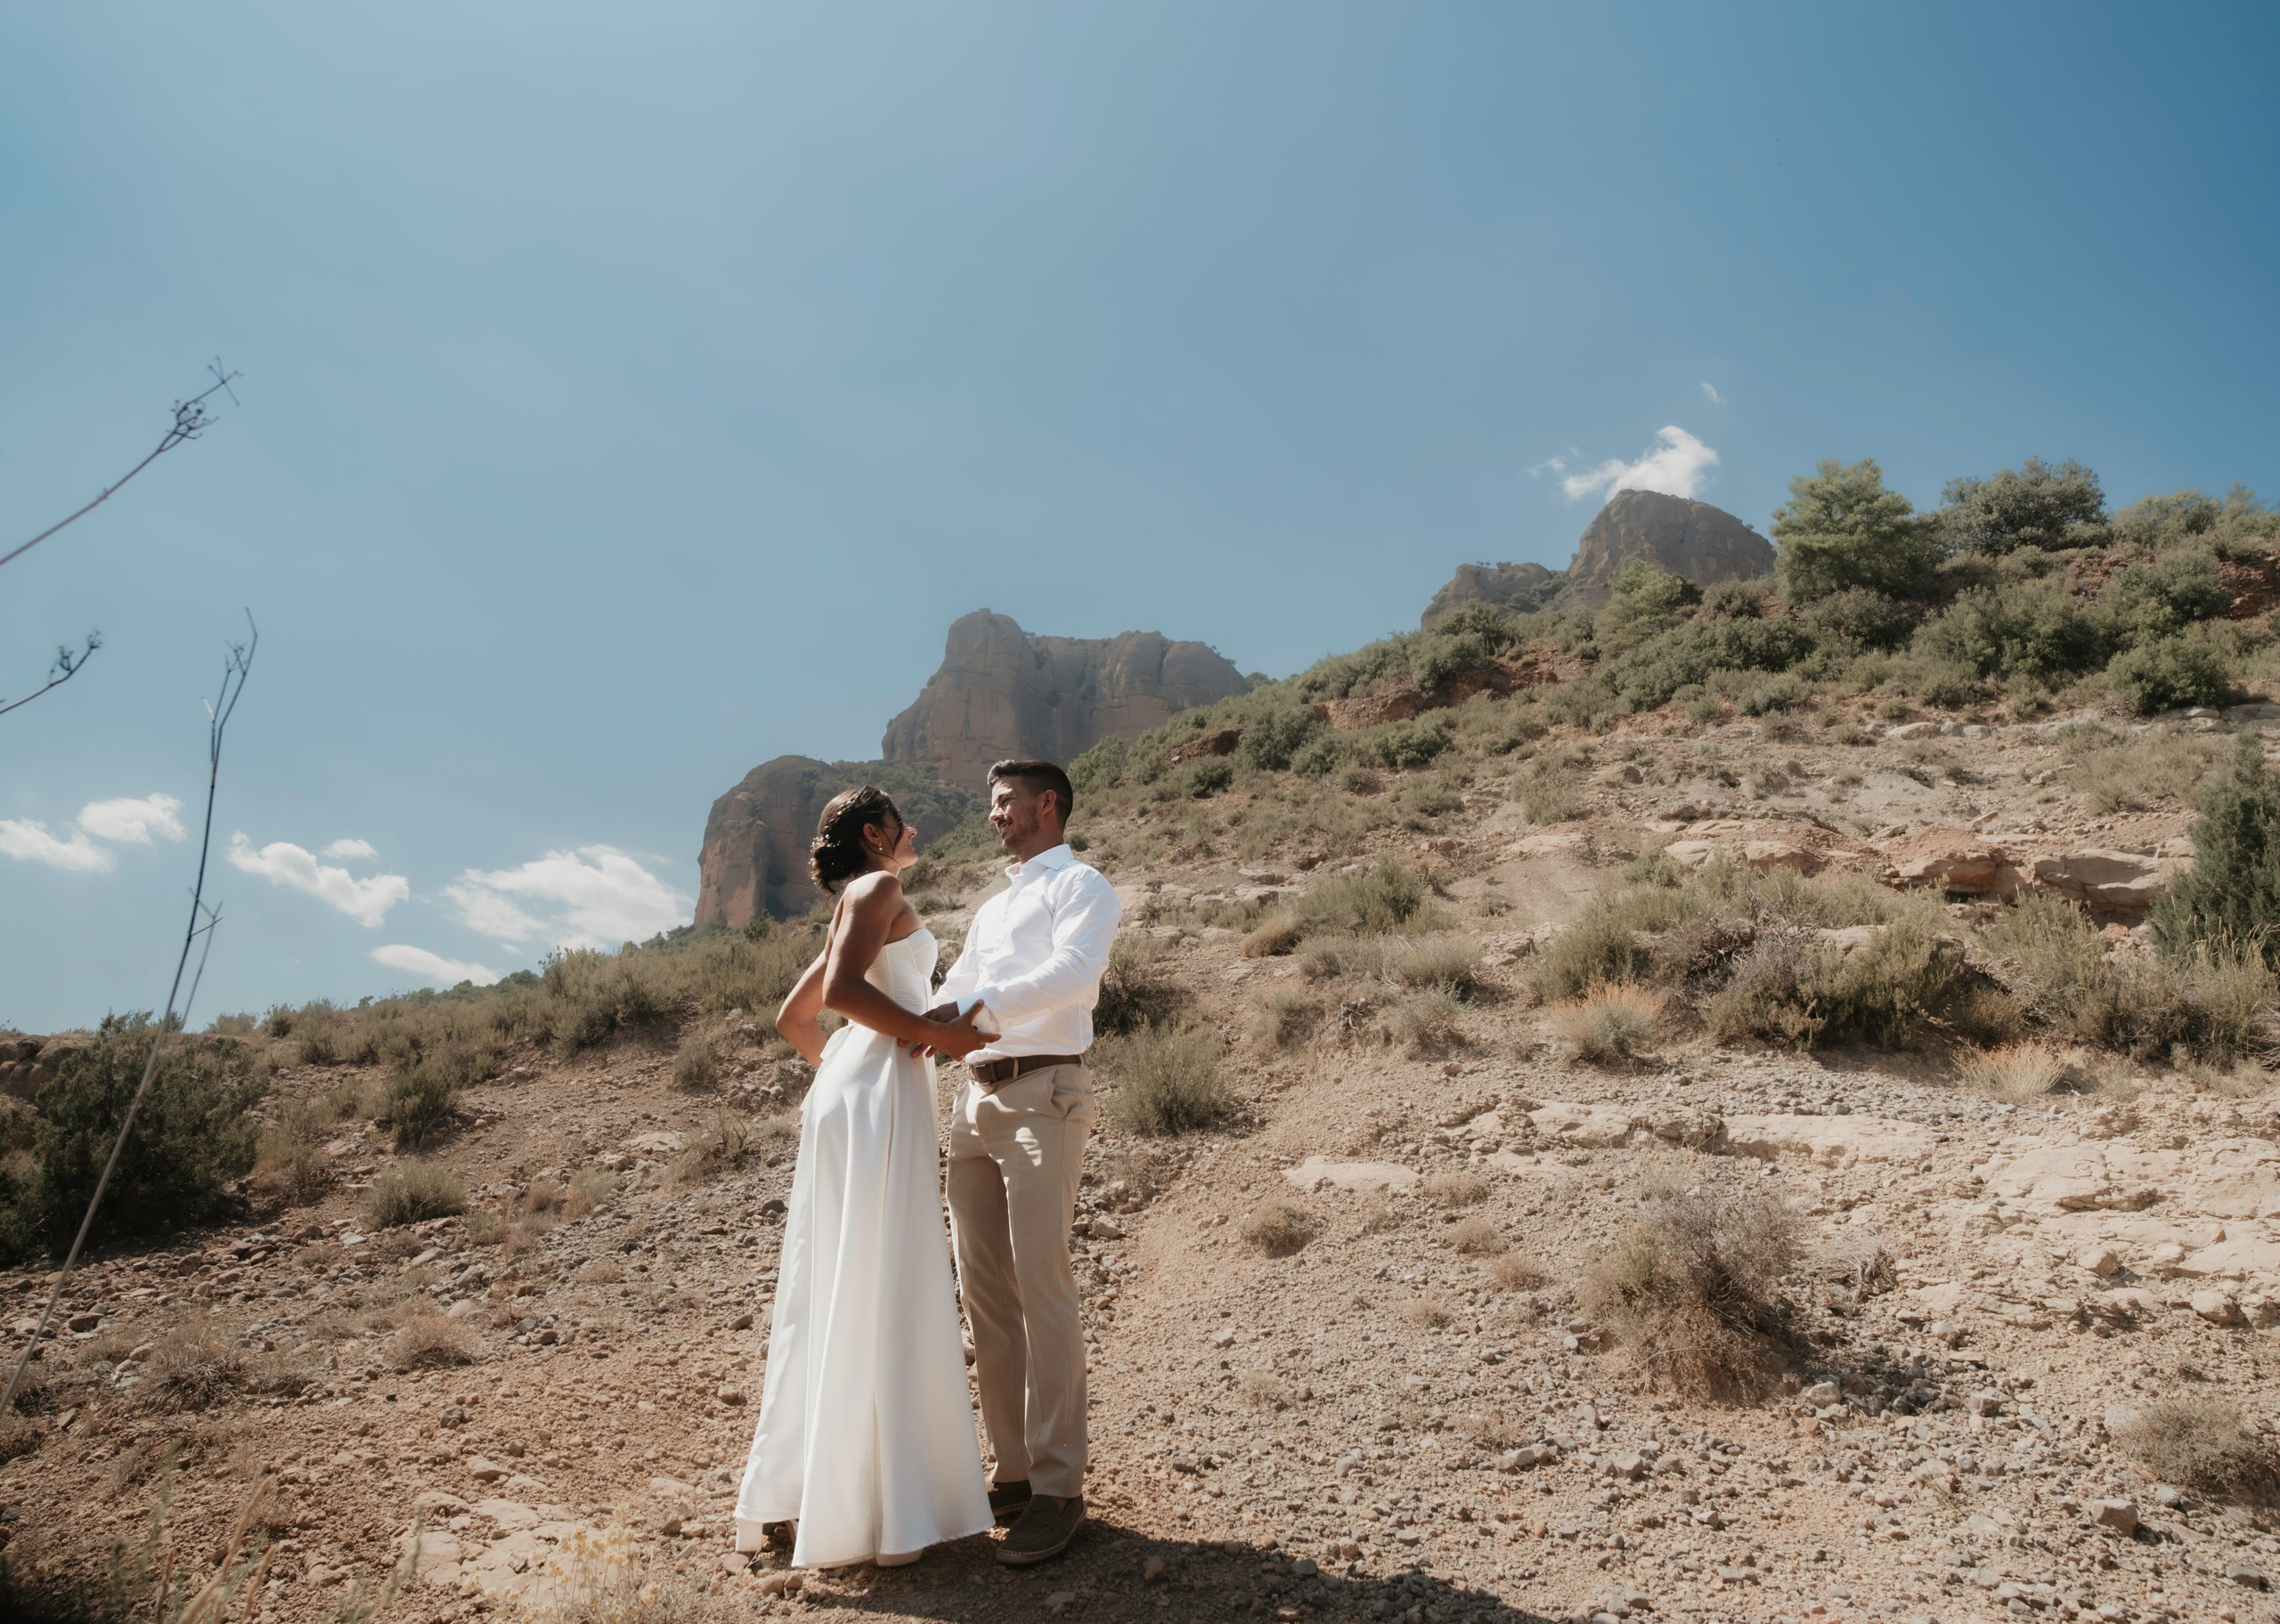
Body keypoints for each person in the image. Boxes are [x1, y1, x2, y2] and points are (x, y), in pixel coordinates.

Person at [732, 787, 997, 1571]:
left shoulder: (854, 902)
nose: (913, 832)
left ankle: (826, 1495)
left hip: (853, 1088)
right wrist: (934, 1038)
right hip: (880, 1091)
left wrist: (849, 1065)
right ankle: (878, 1505)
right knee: (881, 1273)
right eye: (903, 822)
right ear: (877, 834)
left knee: (841, 1277)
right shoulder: (880, 887)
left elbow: (796, 1018)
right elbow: (843, 995)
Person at [919, 759, 1123, 1566]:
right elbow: (959, 985)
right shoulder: (993, 906)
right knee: (987, 1296)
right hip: (974, 1101)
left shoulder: (1083, 887)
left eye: (1005, 801)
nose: (996, 814)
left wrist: (974, 1013)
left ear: (1048, 804)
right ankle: (1009, 1473)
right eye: (991, 801)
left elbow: (1074, 975)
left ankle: (1060, 1488)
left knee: (1043, 1284)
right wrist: (926, 1025)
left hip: (1045, 1093)